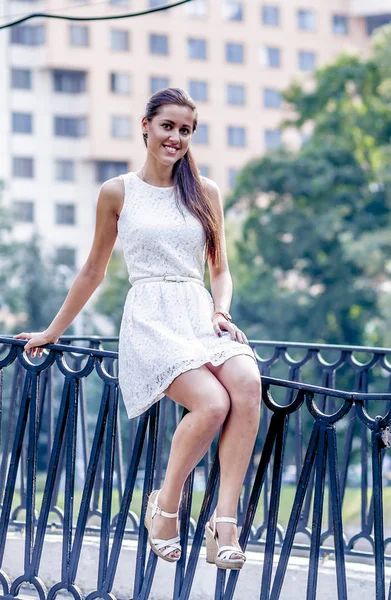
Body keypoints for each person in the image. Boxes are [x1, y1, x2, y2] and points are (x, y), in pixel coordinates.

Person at [14, 88, 262, 570]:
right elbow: (92, 270)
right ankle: (165, 505)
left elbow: (221, 269)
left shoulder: (205, 191)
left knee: (247, 383)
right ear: (145, 125)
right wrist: (52, 332)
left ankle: (224, 522)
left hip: (198, 312)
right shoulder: (117, 191)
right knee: (212, 404)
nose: (176, 137)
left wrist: (222, 311)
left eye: (185, 130)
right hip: (150, 318)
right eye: (167, 126)